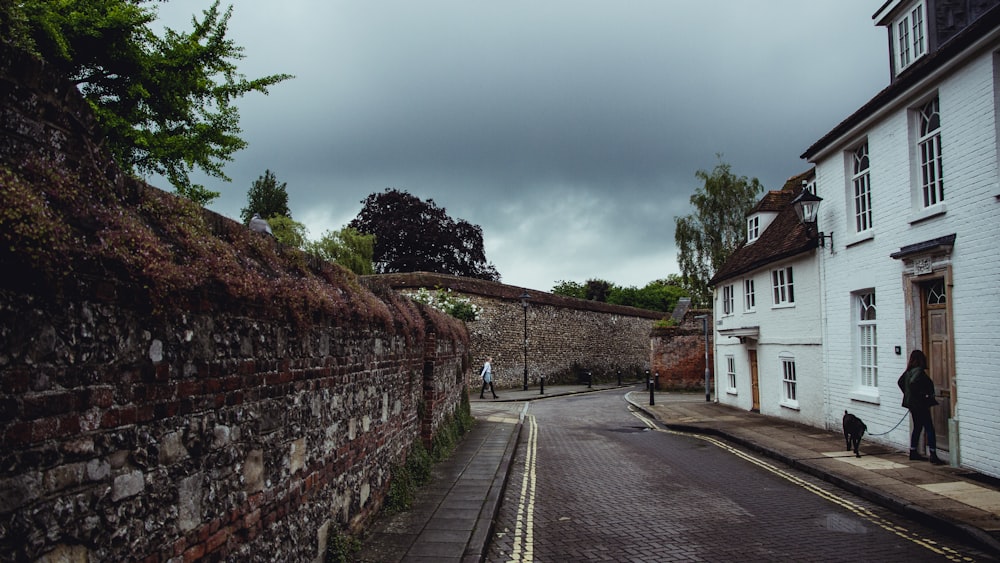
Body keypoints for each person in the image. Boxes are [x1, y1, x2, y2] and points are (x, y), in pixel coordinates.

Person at [897, 350, 945, 465]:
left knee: (917, 427)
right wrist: (922, 395)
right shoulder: (918, 371)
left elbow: (900, 382)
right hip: (920, 405)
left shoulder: (908, 371)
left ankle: (913, 451)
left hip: (912, 404)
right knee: (929, 428)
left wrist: (907, 394)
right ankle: (933, 454)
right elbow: (914, 383)